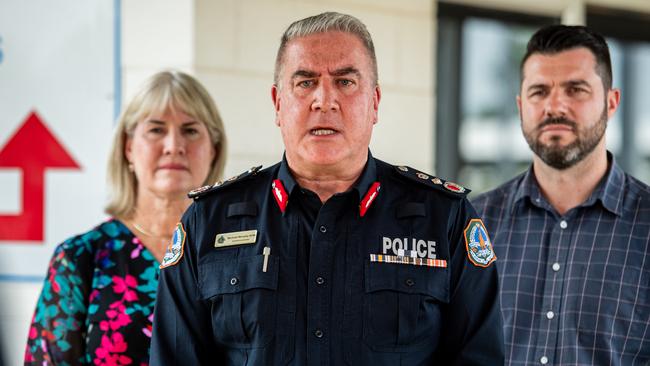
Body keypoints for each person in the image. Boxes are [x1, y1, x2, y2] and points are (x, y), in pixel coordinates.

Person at [150, 12, 503, 365]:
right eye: (305, 82)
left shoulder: (444, 219)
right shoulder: (208, 221)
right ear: (277, 103)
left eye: (345, 82)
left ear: (375, 102)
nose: (324, 100)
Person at [472, 25, 650, 365]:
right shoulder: (475, 224)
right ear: (521, 105)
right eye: (539, 91)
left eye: (576, 89)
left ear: (611, 102)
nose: (555, 106)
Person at [24, 70, 228, 365]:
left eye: (190, 130)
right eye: (156, 130)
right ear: (129, 148)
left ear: (214, 150)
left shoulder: (238, 254)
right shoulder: (81, 258)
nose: (173, 145)